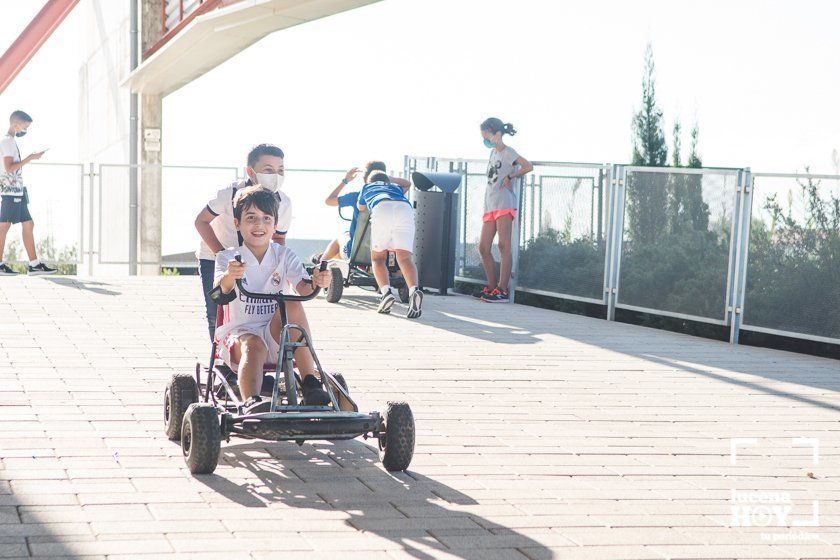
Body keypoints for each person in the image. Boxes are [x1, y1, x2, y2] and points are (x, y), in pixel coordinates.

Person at [211, 186, 331, 411]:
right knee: (254, 344)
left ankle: (310, 382)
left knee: (291, 303)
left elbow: (304, 289)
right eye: (251, 218)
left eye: (266, 218)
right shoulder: (227, 257)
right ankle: (251, 402)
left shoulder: (284, 255)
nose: (259, 225)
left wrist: (318, 281)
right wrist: (229, 276)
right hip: (239, 335)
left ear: (275, 224)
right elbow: (218, 294)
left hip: (276, 334)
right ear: (237, 224)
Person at [194, 143, 292, 339]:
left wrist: (279, 265)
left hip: (254, 260)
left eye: (280, 170)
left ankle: (257, 350)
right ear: (250, 171)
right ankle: (221, 359)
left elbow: (279, 237)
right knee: (218, 310)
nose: (276, 175)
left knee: (256, 309)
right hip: (215, 257)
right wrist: (222, 254)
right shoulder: (229, 193)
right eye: (268, 170)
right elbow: (201, 221)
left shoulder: (283, 202)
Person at [475, 117, 533, 303]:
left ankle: (502, 289)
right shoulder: (492, 153)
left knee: (503, 246)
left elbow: (528, 166)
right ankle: (491, 287)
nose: (485, 140)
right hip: (491, 203)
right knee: (483, 247)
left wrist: (511, 176)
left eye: (487, 136)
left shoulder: (509, 152)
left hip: (504, 203)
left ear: (497, 134)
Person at [314, 161, 410, 263]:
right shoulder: (392, 197)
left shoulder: (356, 197)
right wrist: (386, 179)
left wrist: (345, 180)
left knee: (341, 237)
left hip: (356, 254)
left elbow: (329, 201)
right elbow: (407, 184)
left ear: (365, 179)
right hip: (385, 254)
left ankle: (321, 265)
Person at [357, 171, 422, 318]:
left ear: (369, 181)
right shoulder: (396, 188)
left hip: (381, 207)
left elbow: (360, 208)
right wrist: (389, 180)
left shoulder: (367, 187)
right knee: (405, 259)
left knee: (378, 258)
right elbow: (407, 183)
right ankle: (414, 290)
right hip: (404, 208)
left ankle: (386, 293)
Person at [0, 110, 56, 276]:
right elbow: (9, 168)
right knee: (3, 226)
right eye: (24, 127)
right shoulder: (7, 142)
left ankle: (34, 265)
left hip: (17, 191)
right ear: (15, 124)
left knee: (28, 224)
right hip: (10, 191)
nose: (25, 130)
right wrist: (30, 158)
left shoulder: (10, 141)